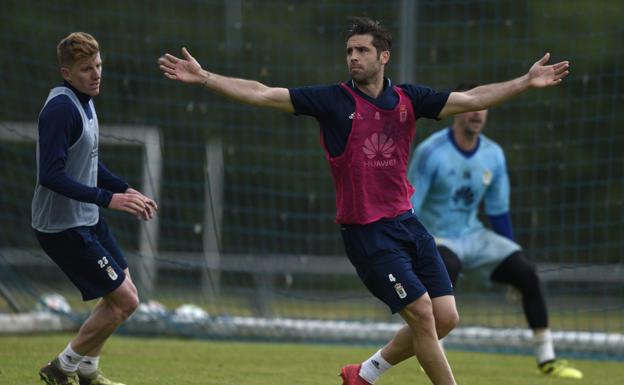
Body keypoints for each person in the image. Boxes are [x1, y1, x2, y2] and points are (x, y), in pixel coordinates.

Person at [158, 16, 569, 385]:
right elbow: (263, 94)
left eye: (362, 50)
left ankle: (365, 374)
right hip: (367, 234)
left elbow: (473, 99)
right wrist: (207, 77)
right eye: (349, 51)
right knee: (424, 315)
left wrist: (524, 81)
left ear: (383, 56)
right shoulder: (332, 101)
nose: (353, 58)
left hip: (408, 224)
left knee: (446, 318)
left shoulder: (409, 99)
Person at [407, 82, 582, 379]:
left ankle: (547, 358)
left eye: (483, 107)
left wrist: (509, 255)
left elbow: (499, 212)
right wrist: (411, 248)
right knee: (448, 263)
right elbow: (409, 205)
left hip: (474, 236)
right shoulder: (431, 152)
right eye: (472, 106)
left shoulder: (493, 155)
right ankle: (436, 352)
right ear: (458, 109)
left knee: (526, 272)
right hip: (435, 235)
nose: (478, 113)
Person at [33, 32, 157, 385]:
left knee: (125, 293)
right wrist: (109, 199)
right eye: (86, 69)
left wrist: (123, 188)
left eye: (99, 66)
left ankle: (87, 371)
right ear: (67, 73)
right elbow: (51, 176)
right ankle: (62, 366)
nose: (96, 74)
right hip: (62, 226)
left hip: (87, 217)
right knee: (126, 301)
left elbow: (87, 164)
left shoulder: (86, 100)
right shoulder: (60, 109)